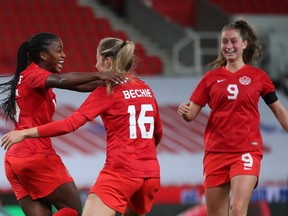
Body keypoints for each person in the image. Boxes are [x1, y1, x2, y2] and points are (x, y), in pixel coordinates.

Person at [1, 37, 163, 216]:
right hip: (150, 173)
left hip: (120, 171)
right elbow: (158, 132)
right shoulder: (146, 88)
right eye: (59, 50)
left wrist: (24, 133)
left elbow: (71, 118)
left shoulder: (106, 90)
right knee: (73, 210)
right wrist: (103, 77)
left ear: (107, 61)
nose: (95, 65)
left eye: (97, 60)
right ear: (43, 55)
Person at [177, 19, 288, 216]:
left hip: (246, 150)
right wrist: (185, 112)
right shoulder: (210, 78)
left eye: (233, 41)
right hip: (215, 152)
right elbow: (191, 114)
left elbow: (279, 110)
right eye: (224, 41)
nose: (228, 46)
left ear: (244, 44)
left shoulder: (258, 77)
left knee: (237, 209)